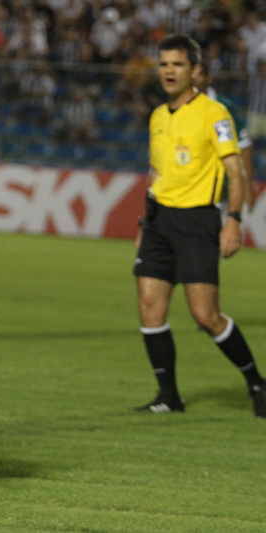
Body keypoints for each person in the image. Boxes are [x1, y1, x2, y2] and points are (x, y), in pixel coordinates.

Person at [134, 34, 266, 418]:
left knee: (205, 316)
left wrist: (234, 220)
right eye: (164, 64)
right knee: (149, 309)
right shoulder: (159, 116)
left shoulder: (214, 113)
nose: (169, 71)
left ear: (194, 71)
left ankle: (257, 382)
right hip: (160, 221)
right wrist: (145, 222)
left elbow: (235, 170)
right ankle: (169, 396)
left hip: (198, 220)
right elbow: (155, 171)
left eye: (177, 64)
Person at [193, 62, 256, 211]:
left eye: (199, 74)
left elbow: (244, 145)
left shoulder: (223, 107)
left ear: (208, 78)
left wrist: (248, 185)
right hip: (190, 186)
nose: (194, 79)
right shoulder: (181, 107)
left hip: (219, 188)